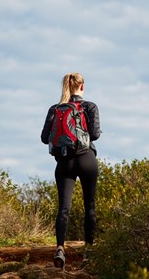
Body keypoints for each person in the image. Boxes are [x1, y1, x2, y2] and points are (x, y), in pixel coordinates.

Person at [40, 72, 101, 270]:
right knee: (89, 205)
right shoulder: (89, 106)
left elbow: (43, 138)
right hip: (86, 159)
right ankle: (88, 253)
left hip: (64, 162)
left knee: (63, 208)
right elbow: (95, 135)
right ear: (82, 87)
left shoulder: (55, 108)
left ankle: (59, 249)